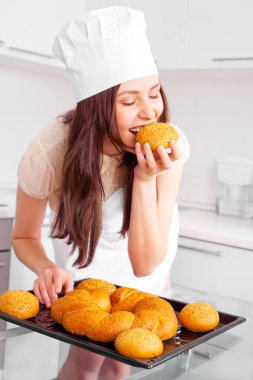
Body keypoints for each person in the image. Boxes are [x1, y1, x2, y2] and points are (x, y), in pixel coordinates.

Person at [12, 6, 190, 309]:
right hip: (82, 263)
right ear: (95, 108)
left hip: (147, 266)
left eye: (155, 92)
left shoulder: (170, 146)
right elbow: (23, 238)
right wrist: (46, 269)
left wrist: (145, 178)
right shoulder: (49, 154)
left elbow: (145, 264)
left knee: (130, 350)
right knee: (84, 351)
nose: (150, 112)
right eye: (130, 101)